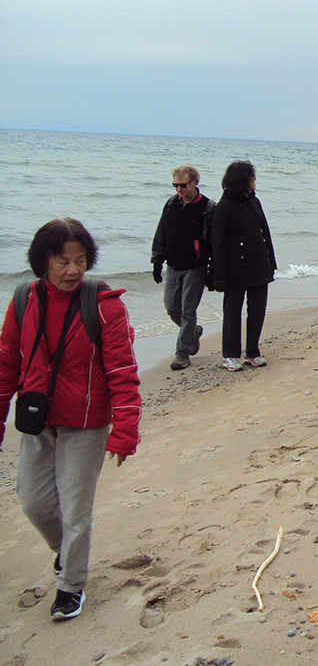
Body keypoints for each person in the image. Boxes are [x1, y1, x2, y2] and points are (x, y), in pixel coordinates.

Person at [0, 218, 141, 621]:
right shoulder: (24, 300)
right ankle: (66, 553)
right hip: (38, 420)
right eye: (63, 261)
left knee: (76, 510)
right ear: (43, 261)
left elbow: (122, 372)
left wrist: (125, 429)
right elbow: (6, 363)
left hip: (86, 423)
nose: (72, 270)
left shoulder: (104, 305)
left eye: (80, 261)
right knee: (34, 503)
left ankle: (71, 585)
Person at [211, 160, 277, 371]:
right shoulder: (225, 205)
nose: (255, 180)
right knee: (232, 312)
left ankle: (252, 352)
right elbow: (217, 241)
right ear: (241, 180)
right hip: (235, 268)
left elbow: (265, 234)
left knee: (257, 310)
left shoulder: (254, 201)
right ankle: (230, 355)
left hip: (259, 265)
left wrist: (271, 262)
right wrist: (218, 274)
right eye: (251, 177)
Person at [150, 165, 214, 370]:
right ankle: (193, 331)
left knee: (188, 310)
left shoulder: (207, 207)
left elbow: (214, 241)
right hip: (173, 266)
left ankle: (182, 353)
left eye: (183, 185)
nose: (179, 189)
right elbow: (161, 232)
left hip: (196, 266)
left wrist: (214, 269)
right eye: (175, 185)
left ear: (195, 182)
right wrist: (157, 260)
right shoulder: (171, 204)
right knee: (172, 308)